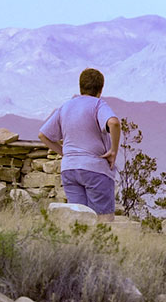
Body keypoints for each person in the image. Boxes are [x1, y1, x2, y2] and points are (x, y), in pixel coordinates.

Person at [39, 68, 120, 222]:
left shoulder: (66, 106)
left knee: (79, 221)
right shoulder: (98, 104)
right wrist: (113, 151)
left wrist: (64, 153)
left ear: (80, 86)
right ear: (100, 89)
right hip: (95, 169)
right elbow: (114, 123)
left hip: (70, 169)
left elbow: (43, 135)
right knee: (103, 222)